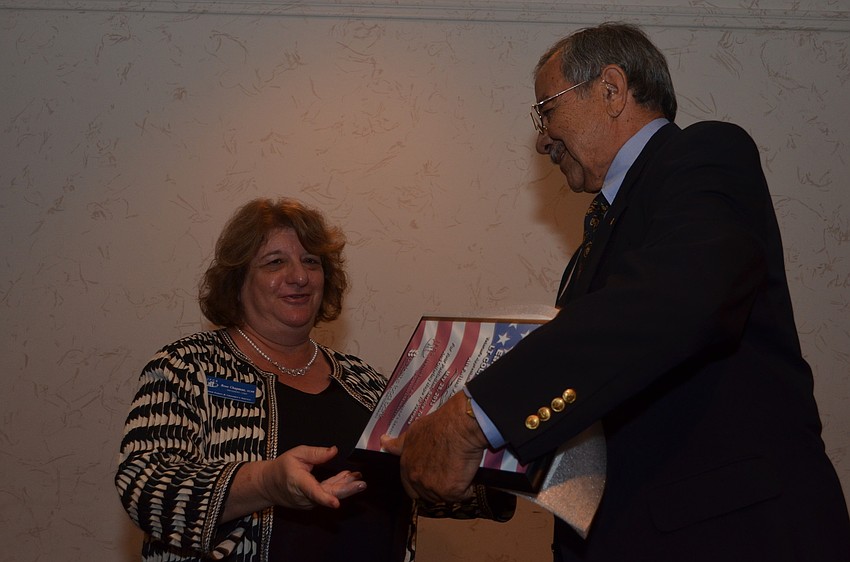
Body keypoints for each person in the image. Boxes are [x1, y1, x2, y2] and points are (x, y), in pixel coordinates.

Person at [382, 22, 850, 561]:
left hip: (732, 536)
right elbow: (601, 400)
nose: (542, 137)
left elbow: (675, 303)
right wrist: (471, 467)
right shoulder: (595, 242)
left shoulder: (705, 153)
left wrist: (472, 416)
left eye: (546, 109)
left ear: (611, 90)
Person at [115, 197, 514, 562]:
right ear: (237, 282)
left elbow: (421, 481)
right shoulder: (187, 366)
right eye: (274, 262)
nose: (299, 277)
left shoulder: (365, 382)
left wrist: (505, 458)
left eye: (311, 261)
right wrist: (267, 482)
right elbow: (145, 485)